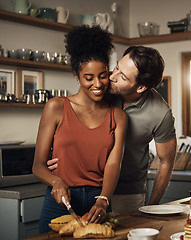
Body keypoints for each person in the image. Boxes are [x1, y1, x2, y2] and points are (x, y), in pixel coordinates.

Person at [48, 46, 177, 216]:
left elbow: (166, 161)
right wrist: (56, 153)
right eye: (116, 67)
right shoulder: (101, 85)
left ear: (140, 87)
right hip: (87, 187)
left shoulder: (160, 113)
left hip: (127, 193)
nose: (112, 76)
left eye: (122, 76)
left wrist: (152, 207)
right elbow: (72, 123)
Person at [33, 25, 127, 233]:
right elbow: (38, 165)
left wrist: (104, 199)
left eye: (103, 75)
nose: (98, 84)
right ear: (77, 76)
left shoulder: (118, 117)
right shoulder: (56, 107)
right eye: (89, 78)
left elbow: (113, 164)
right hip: (59, 202)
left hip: (99, 203)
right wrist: (56, 181)